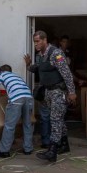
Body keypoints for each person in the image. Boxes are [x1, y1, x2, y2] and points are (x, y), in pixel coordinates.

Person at [24, 30, 76, 163]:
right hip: (48, 92)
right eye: (34, 41)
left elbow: (67, 74)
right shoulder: (41, 55)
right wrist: (29, 65)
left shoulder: (56, 53)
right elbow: (37, 68)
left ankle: (52, 151)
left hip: (59, 92)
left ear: (44, 40)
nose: (35, 44)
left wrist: (72, 92)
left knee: (55, 120)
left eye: (37, 41)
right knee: (58, 119)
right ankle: (64, 145)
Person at [0, 65, 34, 157]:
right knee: (27, 124)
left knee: (9, 126)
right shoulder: (17, 76)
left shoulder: (2, 75)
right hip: (28, 98)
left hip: (16, 99)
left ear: (1, 71)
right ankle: (28, 149)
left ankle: (4, 151)